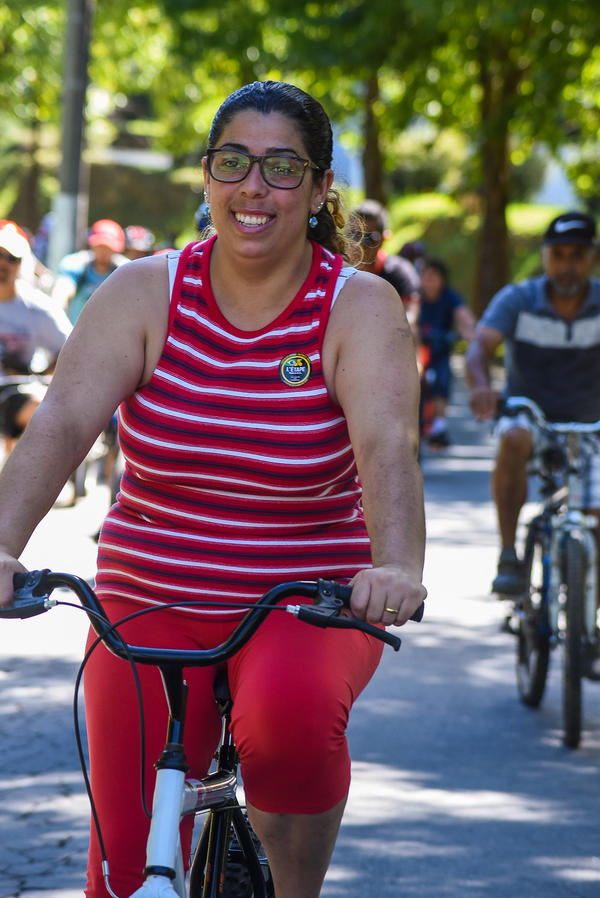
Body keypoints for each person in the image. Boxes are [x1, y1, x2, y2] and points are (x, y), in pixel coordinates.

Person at [0, 81, 426, 898]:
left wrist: (397, 566)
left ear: (319, 187)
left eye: (281, 167)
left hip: (310, 599)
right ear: (206, 176)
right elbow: (59, 424)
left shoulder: (357, 306)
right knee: (126, 868)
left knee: (289, 724)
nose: (253, 187)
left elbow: (386, 445)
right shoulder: (142, 291)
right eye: (233, 162)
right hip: (149, 588)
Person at [465, 210, 600, 596]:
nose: (567, 265)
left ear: (592, 258)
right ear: (545, 256)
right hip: (532, 417)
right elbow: (479, 349)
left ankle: (585, 621)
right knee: (514, 437)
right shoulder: (519, 299)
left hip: (592, 427)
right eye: (558, 255)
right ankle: (509, 554)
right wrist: (480, 386)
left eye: (577, 255)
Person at [0, 220, 71, 454]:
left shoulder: (37, 307)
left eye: (11, 258)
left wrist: (42, 373)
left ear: (22, 264)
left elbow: (70, 348)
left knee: (41, 411)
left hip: (14, 391)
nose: (3, 263)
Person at [419, 257, 475, 448]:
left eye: (434, 277)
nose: (429, 281)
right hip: (417, 350)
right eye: (425, 277)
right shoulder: (416, 296)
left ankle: (439, 425)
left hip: (441, 350)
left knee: (442, 382)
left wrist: (470, 336)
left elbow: (465, 318)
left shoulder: (449, 296)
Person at [350, 199, 421, 331]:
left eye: (370, 237)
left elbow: (410, 316)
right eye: (356, 235)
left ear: (385, 238)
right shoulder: (337, 271)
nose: (362, 243)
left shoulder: (400, 272)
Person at [52, 218, 128, 323]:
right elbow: (62, 290)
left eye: (108, 247)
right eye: (100, 246)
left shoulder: (125, 271)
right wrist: (57, 316)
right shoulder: (76, 264)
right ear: (91, 244)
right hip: (76, 334)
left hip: (112, 335)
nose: (103, 251)